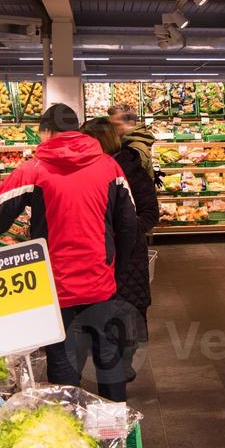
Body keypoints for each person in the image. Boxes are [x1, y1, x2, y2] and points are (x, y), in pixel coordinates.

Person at [0, 104, 141, 401]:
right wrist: (114, 265)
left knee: (63, 360)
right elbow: (129, 224)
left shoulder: (33, 170)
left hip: (55, 286)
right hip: (100, 281)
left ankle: (69, 421)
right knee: (108, 356)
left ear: (48, 131)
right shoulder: (109, 167)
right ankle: (115, 424)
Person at [83, 116, 158, 329]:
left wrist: (124, 231)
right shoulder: (89, 170)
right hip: (101, 258)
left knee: (128, 322)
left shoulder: (131, 169)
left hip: (129, 258)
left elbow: (150, 213)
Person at [108, 103, 155, 178]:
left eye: (115, 125)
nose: (111, 129)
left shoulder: (135, 151)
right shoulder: (128, 144)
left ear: (129, 124)